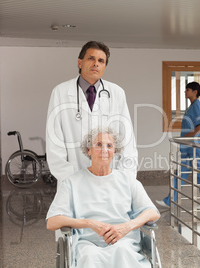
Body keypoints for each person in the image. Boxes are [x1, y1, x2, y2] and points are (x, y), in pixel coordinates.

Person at [46, 128, 159, 267]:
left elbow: (152, 212)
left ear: (115, 151)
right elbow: (52, 222)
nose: (104, 150)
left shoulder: (127, 181)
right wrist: (89, 223)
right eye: (98, 145)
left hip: (123, 240)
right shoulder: (72, 182)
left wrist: (126, 227)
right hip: (87, 243)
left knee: (122, 253)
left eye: (109, 146)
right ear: (89, 150)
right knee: (90, 257)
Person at [46, 41, 137, 185]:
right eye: (91, 58)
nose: (96, 64)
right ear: (80, 62)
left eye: (101, 61)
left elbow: (127, 140)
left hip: (110, 179)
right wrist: (70, 180)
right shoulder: (60, 92)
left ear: (105, 67)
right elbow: (54, 142)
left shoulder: (117, 93)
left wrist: (124, 179)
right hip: (73, 179)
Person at [156, 82, 200, 208]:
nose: (185, 92)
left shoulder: (197, 105)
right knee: (181, 174)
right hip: (190, 146)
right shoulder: (192, 106)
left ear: (194, 92)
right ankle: (170, 200)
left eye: (187, 90)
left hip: (196, 146)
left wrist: (190, 135)